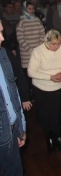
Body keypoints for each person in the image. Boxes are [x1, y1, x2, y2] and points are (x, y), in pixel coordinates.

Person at [28, 30, 61, 153]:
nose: (56, 46)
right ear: (46, 42)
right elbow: (31, 72)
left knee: (59, 114)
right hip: (43, 89)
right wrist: (50, 77)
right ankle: (49, 140)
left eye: (59, 43)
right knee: (47, 116)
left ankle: (58, 138)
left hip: (59, 87)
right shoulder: (37, 51)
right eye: (54, 44)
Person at [0, 20, 27, 175]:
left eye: (2, 32)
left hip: (12, 133)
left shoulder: (3, 54)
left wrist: (20, 127)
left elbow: (13, 92)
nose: (2, 38)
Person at [16, 1, 45, 99]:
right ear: (25, 9)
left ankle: (37, 93)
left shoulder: (37, 20)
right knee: (28, 75)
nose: (32, 10)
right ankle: (29, 95)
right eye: (29, 9)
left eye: (33, 8)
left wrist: (39, 48)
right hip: (26, 53)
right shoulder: (21, 22)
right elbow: (20, 38)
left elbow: (42, 33)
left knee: (37, 73)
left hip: (37, 51)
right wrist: (30, 49)